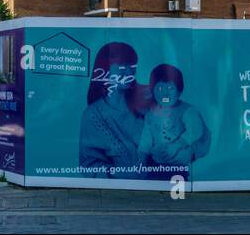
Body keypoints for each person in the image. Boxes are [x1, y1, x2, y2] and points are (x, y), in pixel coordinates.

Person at [79, 42, 147, 177]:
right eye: (122, 67)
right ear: (105, 69)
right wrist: (119, 175)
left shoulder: (149, 100)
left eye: (132, 66)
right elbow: (88, 165)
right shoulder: (93, 115)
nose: (129, 72)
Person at [137, 63, 210, 167]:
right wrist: (142, 155)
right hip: (157, 164)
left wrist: (177, 145)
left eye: (170, 88)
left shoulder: (187, 111)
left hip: (179, 163)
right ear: (153, 91)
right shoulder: (151, 114)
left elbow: (196, 131)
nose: (165, 94)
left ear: (179, 91)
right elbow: (146, 138)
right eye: (160, 89)